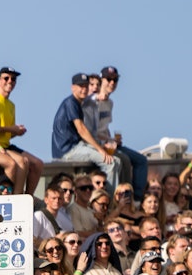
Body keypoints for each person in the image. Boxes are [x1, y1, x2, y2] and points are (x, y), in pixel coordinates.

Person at [51, 73, 122, 189]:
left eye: (85, 86)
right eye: (80, 86)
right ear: (73, 87)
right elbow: (82, 130)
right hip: (67, 151)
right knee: (109, 163)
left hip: (77, 146)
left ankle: (112, 195)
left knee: (117, 161)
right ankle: (107, 201)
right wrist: (101, 150)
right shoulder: (71, 103)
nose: (84, 89)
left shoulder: (78, 103)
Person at [89, 67, 148, 201]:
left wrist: (113, 140)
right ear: (101, 80)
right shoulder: (92, 101)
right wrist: (108, 140)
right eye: (108, 79)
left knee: (141, 160)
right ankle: (119, 199)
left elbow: (104, 126)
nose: (112, 83)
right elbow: (90, 131)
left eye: (115, 80)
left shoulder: (109, 103)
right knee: (122, 161)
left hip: (109, 142)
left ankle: (136, 199)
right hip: (97, 144)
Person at [0, 66, 42, 194]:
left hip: (6, 144)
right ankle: (16, 199)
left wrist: (16, 132)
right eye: (6, 78)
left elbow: (7, 134)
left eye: (13, 79)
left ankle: (28, 197)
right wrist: (12, 129)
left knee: (38, 164)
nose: (10, 81)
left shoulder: (11, 105)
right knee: (23, 162)